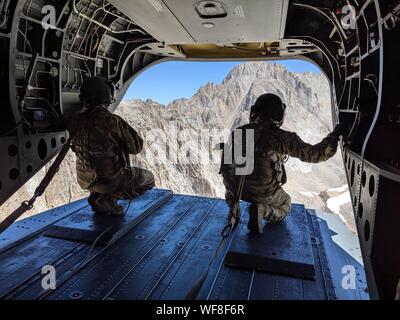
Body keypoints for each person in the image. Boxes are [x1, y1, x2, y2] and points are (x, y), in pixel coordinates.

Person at [220, 93, 346, 233]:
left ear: (255, 111)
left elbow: (227, 164)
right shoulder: (282, 138)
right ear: (279, 115)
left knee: (229, 191)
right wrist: (334, 136)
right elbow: (315, 154)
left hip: (234, 189)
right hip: (263, 193)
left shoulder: (239, 131)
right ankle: (263, 210)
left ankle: (233, 208)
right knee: (285, 204)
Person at [64, 76, 155, 215]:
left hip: (84, 180)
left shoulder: (73, 119)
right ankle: (109, 198)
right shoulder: (111, 121)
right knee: (149, 178)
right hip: (110, 181)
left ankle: (96, 196)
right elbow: (136, 147)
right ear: (106, 97)